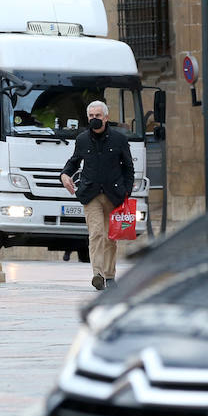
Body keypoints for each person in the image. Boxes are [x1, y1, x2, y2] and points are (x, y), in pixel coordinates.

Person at [59, 100, 135, 290]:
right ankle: (98, 274)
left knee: (111, 237)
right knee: (96, 233)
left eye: (98, 116)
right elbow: (74, 161)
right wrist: (64, 174)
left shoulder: (119, 139)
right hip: (90, 194)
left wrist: (127, 191)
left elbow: (128, 168)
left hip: (114, 194)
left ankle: (110, 275)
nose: (94, 119)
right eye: (91, 116)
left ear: (106, 117)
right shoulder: (82, 139)